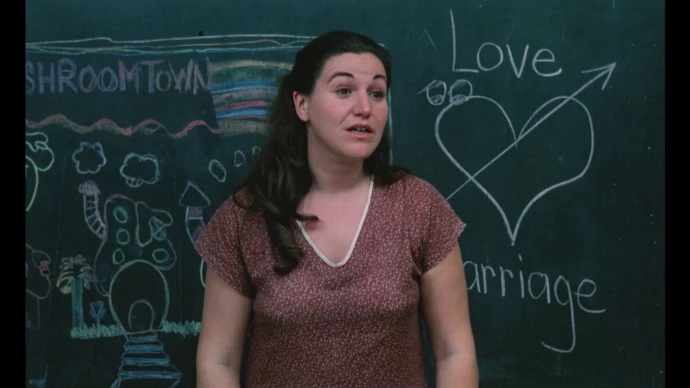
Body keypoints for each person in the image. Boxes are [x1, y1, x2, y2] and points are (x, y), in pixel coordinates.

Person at [194, 30, 478, 387]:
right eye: (344, 90)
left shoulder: (419, 206)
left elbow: (455, 352)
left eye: (377, 93)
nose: (364, 107)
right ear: (302, 105)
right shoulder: (247, 216)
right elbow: (218, 360)